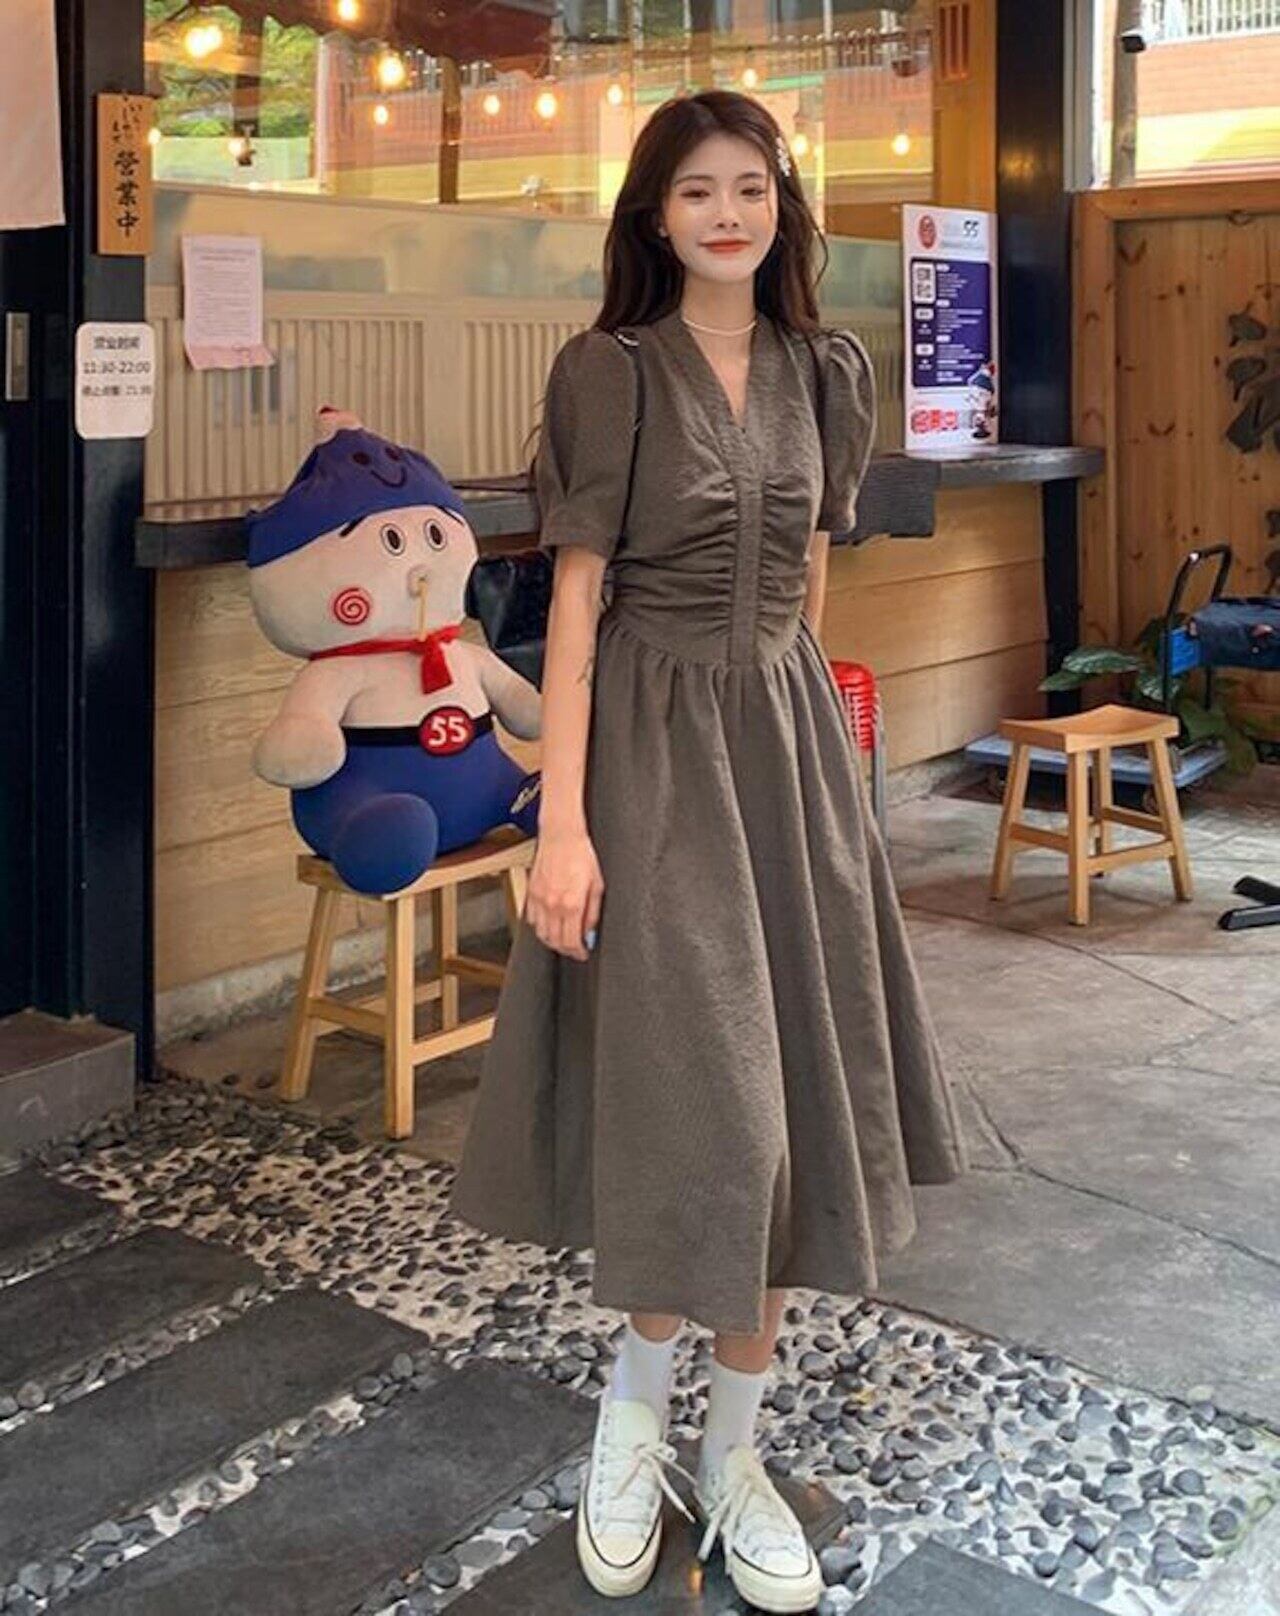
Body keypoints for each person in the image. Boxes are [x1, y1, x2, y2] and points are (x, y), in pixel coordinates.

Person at [448, 87, 967, 1611]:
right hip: (652, 754)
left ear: (783, 207)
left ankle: (732, 1454)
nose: (727, 214)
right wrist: (562, 822)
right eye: (697, 192)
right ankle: (630, 1427)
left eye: (750, 187)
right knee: (706, 1103)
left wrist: (825, 763)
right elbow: (576, 605)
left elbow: (810, 572)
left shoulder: (826, 369)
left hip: (788, 757)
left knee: (796, 1103)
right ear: (656, 217)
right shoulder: (611, 372)